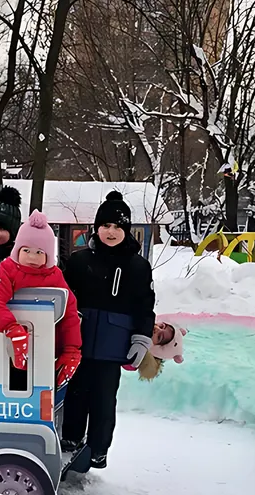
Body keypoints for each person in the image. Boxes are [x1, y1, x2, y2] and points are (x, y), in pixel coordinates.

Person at [61, 191, 156, 469]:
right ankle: (70, 442)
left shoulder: (138, 266)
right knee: (75, 395)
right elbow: (63, 299)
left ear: (126, 230)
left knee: (104, 401)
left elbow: (145, 306)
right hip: (78, 343)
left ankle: (98, 449)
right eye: (105, 225)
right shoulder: (79, 261)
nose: (111, 232)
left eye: (117, 226)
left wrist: (141, 338)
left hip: (113, 347)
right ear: (96, 228)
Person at [0, 210, 82, 388]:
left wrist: (72, 350)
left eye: (39, 252)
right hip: (9, 352)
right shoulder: (9, 271)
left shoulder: (55, 277)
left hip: (46, 351)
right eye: (26, 250)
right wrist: (11, 327)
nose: (32, 257)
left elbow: (70, 314)